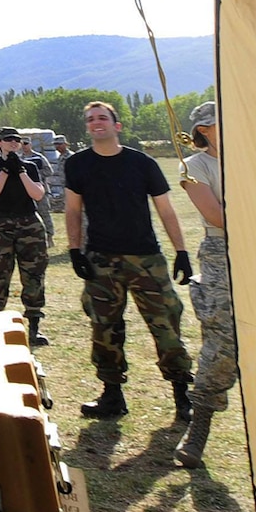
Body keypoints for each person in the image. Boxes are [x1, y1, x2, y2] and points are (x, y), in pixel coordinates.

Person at [63, 100, 195, 421]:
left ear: (116, 125)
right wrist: (75, 251)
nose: (97, 122)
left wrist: (181, 253)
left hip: (146, 259)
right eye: (90, 118)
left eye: (103, 118)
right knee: (104, 327)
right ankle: (112, 396)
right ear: (87, 127)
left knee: (165, 324)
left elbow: (165, 209)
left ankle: (181, 395)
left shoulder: (142, 163)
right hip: (100, 259)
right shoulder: (77, 165)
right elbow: (73, 210)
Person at [175, 101, 237, 468]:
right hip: (221, 253)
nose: (222, 127)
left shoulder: (255, 156)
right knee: (223, 340)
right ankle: (199, 428)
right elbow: (215, 215)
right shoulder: (194, 167)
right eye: (214, 124)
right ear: (202, 131)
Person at [0, 127, 51, 345]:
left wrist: (20, 170)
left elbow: (38, 194)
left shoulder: (29, 166)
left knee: (34, 276)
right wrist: (4, 170)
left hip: (28, 223)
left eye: (16, 140)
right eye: (8, 139)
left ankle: (33, 329)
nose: (13, 142)